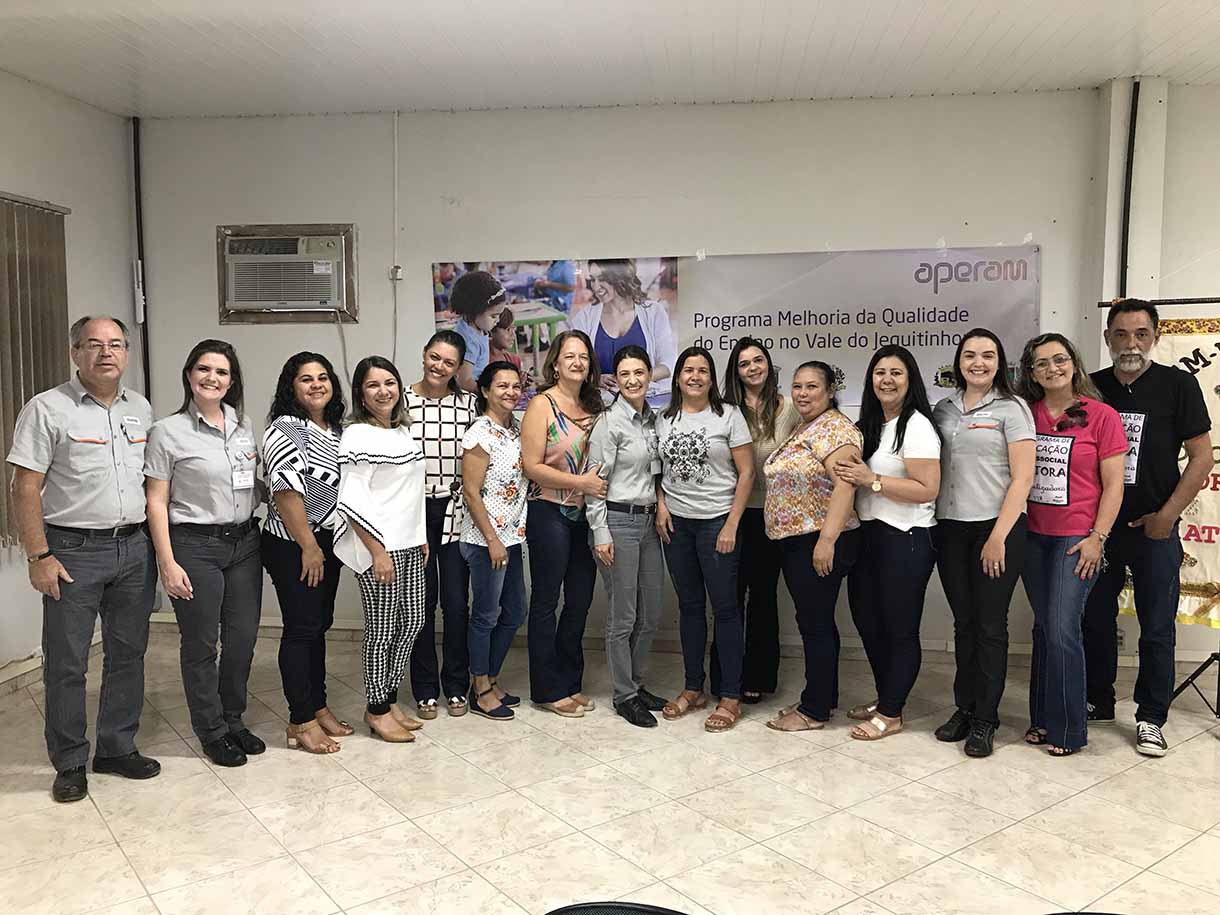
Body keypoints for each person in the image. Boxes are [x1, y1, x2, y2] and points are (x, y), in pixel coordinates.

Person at [7, 315, 160, 802]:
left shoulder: (141, 408)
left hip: (134, 548)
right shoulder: (47, 408)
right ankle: (70, 760)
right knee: (68, 663)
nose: (106, 353)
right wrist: (38, 555)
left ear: (127, 353)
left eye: (115, 344)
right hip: (72, 550)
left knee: (128, 655)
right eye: (93, 345)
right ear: (75, 353)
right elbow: (23, 486)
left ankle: (116, 747)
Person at [1084, 299, 1213, 756]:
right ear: (1107, 339)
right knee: (1093, 619)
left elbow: (1202, 457)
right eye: (1121, 334)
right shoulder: (1092, 389)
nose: (1130, 343)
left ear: (1155, 336)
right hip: (1100, 529)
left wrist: (1167, 516)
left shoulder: (1179, 386)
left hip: (1154, 530)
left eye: (1140, 333)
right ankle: (1097, 700)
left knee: (1157, 626)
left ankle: (1151, 716)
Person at [144, 339, 264, 768]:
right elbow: (156, 501)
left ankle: (233, 719)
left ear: (232, 381)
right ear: (189, 375)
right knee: (200, 644)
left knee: (243, 638)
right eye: (204, 369)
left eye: (222, 372)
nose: (212, 378)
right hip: (194, 547)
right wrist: (167, 562)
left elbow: (253, 483)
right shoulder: (167, 431)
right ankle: (211, 730)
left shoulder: (244, 425)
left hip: (246, 544)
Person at [1018, 333, 1126, 757]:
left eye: (1059, 360)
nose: (1052, 369)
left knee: (1063, 627)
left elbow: (1114, 484)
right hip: (1031, 536)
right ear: (1031, 373)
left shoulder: (1101, 416)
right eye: (1041, 363)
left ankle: (1069, 729)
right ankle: (1042, 719)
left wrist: (1097, 537)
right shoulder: (1025, 415)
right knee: (1044, 627)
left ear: (1074, 363)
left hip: (1076, 539)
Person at [931, 329, 1035, 758]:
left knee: (991, 626)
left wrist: (998, 537)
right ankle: (965, 707)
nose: (979, 362)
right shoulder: (943, 409)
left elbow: (1023, 477)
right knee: (964, 624)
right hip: (950, 528)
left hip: (997, 528)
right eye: (970, 355)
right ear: (958, 361)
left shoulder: (1013, 408)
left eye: (988, 355)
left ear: (999, 362)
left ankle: (987, 719)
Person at [836, 345, 942, 741]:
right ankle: (886, 697)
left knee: (899, 628)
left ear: (910, 379)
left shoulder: (916, 426)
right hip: (869, 536)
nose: (887, 380)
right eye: (880, 372)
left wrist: (873, 481)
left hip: (907, 538)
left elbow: (927, 488)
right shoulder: (868, 424)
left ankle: (892, 712)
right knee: (868, 621)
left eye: (896, 372)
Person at [656, 346, 754, 732]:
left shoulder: (728, 416)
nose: (695, 376)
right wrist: (662, 505)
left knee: (726, 609)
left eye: (703, 371)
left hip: (717, 522)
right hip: (677, 525)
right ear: (678, 377)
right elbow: (657, 469)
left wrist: (731, 525)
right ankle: (693, 687)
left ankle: (730, 695)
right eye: (688, 370)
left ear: (712, 379)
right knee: (690, 607)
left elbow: (746, 474)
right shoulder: (665, 418)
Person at [763, 362, 863, 732]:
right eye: (797, 387)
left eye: (812, 387)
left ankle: (814, 710)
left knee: (815, 625)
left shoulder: (835, 429)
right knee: (814, 622)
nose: (803, 394)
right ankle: (822, 696)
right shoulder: (808, 427)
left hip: (818, 540)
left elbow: (846, 485)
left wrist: (827, 540)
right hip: (799, 541)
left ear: (830, 390)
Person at [333, 357, 428, 743]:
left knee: (413, 621)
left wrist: (419, 534)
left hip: (408, 543)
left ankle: (387, 699)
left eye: (390, 382)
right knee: (383, 629)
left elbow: (409, 490)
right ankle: (376, 709)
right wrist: (377, 551)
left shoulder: (402, 432)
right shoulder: (357, 435)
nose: (383, 391)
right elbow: (352, 500)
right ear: (360, 392)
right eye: (373, 385)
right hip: (380, 549)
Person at [261, 352, 348, 754]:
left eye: (323, 377)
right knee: (301, 629)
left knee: (318, 625)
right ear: (291, 387)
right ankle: (300, 720)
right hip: (293, 543)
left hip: (325, 541)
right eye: (305, 379)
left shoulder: (335, 429)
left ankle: (318, 705)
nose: (316, 384)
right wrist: (309, 547)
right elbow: (285, 492)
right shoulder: (286, 428)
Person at [521, 330, 607, 717]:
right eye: (569, 356)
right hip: (549, 513)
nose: (577, 362)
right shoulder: (541, 404)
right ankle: (547, 688)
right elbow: (532, 467)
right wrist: (581, 483)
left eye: (583, 357)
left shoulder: (596, 406)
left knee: (580, 601)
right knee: (545, 602)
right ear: (555, 363)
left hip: (584, 518)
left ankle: (570, 683)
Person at [715, 336, 801, 703]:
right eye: (744, 363)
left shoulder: (790, 408)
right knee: (728, 598)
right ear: (735, 371)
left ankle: (760, 678)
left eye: (758, 360)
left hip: (774, 515)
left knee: (763, 598)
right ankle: (725, 679)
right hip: (730, 513)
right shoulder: (725, 410)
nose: (753, 368)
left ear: (769, 365)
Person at [586, 345, 667, 728]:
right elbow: (594, 483)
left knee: (651, 613)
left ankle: (636, 681)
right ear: (615, 381)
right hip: (617, 523)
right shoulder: (609, 422)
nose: (633, 380)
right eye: (624, 374)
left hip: (649, 524)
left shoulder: (653, 420)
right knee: (624, 615)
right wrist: (600, 530)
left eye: (639, 372)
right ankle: (624, 695)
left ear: (650, 376)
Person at [405, 331, 477, 720]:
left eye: (449, 363)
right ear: (424, 354)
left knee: (454, 603)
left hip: (456, 512)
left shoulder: (468, 406)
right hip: (412, 515)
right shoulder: (400, 402)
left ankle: (455, 685)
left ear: (458, 367)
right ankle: (425, 689)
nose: (439, 367)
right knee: (420, 605)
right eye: (434, 357)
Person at [461, 361, 529, 720]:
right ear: (485, 391)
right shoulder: (480, 433)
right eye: (501, 385)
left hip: (513, 537)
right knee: (486, 615)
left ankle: (491, 677)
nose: (510, 392)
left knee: (516, 611)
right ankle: (480, 687)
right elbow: (471, 492)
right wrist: (491, 539)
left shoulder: (517, 429)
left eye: (516, 386)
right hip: (484, 539)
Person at [570, 259, 677, 403]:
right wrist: (595, 378)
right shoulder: (584, 318)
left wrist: (633, 380)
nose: (596, 287)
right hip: (599, 404)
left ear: (619, 278)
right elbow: (572, 365)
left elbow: (667, 365)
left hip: (645, 402)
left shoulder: (653, 312)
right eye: (592, 280)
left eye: (602, 279)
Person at [450, 270, 507, 393]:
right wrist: (489, 393)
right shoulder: (469, 342)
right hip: (471, 396)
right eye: (493, 316)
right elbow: (464, 381)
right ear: (474, 310)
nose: (497, 320)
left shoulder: (473, 327)